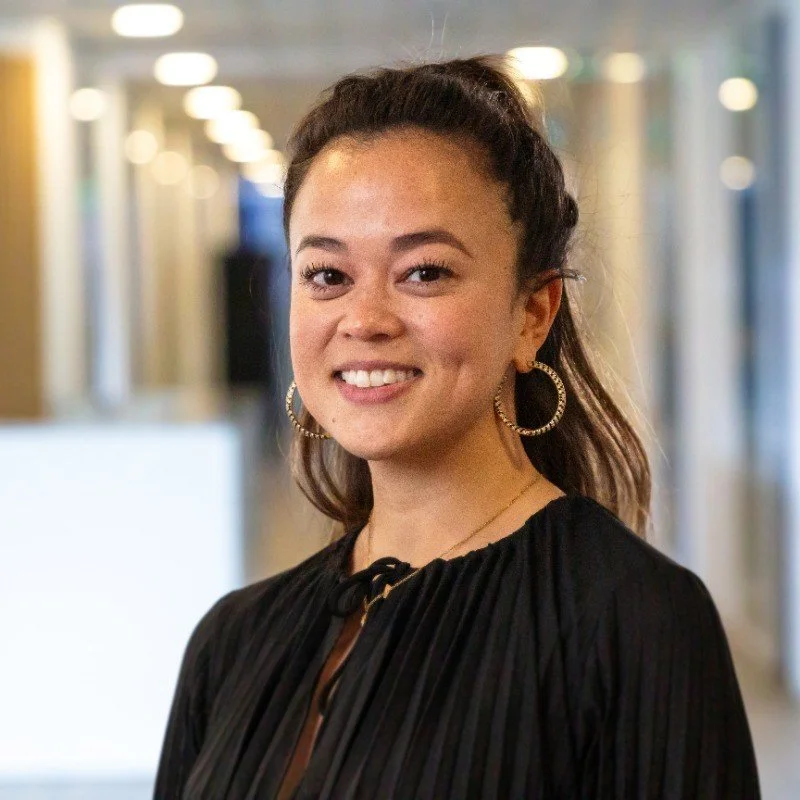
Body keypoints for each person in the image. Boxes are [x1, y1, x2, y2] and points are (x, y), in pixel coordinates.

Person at [153, 56, 760, 799]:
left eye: (425, 272)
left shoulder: (634, 621)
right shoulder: (230, 642)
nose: (364, 321)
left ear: (533, 314)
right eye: (327, 276)